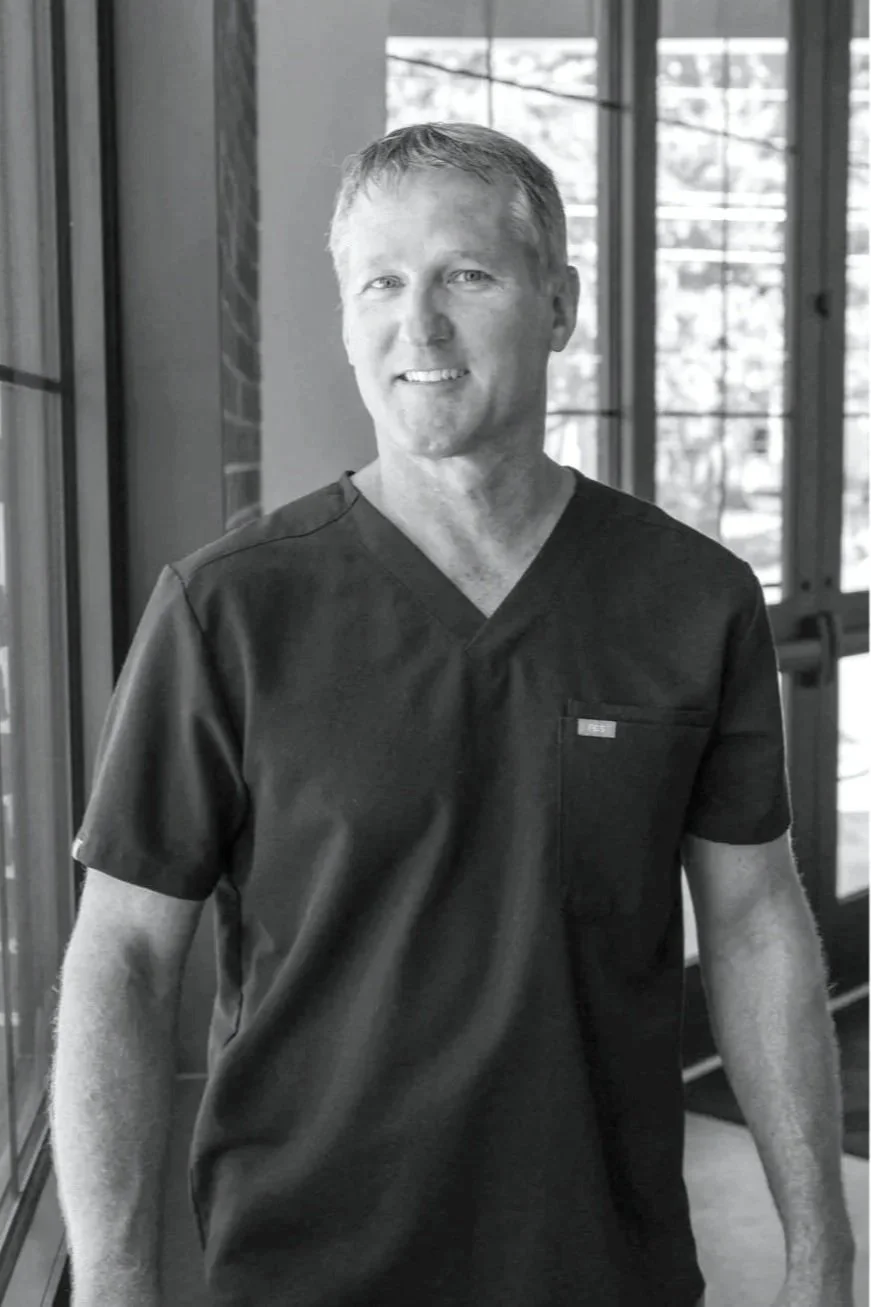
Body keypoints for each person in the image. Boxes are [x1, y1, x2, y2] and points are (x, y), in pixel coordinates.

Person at [50, 122, 855, 1307]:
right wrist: (113, 1283)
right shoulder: (228, 610)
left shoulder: (692, 598)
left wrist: (822, 1250)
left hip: (604, 1268)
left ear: (559, 304)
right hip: (298, 1273)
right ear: (345, 318)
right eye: (380, 283)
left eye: (466, 275)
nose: (417, 326)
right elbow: (120, 956)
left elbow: (751, 922)